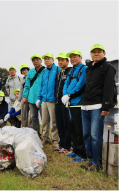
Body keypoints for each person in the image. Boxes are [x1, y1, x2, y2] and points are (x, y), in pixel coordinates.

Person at [81, 43, 116, 171]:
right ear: (90, 54)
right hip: (85, 106)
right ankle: (90, 160)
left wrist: (105, 106)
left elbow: (108, 88)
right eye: (94, 52)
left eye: (99, 51)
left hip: (97, 106)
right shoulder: (89, 68)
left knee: (95, 136)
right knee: (86, 135)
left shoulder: (108, 67)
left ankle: (97, 163)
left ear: (104, 53)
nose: (96, 53)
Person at [62, 49, 88, 162]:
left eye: (75, 56)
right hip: (69, 104)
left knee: (79, 130)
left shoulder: (84, 69)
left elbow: (81, 85)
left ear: (81, 57)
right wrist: (64, 96)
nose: (73, 59)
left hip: (78, 104)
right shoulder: (71, 71)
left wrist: (69, 95)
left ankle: (82, 154)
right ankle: (75, 150)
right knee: (71, 129)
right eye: (71, 57)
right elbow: (65, 84)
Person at [36, 53, 60, 146]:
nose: (46, 60)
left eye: (48, 59)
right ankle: (46, 138)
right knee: (44, 120)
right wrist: (39, 98)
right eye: (45, 59)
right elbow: (41, 86)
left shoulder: (57, 70)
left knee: (54, 121)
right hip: (44, 100)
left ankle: (55, 140)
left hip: (53, 100)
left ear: (53, 60)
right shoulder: (44, 72)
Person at [23, 56, 46, 136]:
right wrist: (25, 96)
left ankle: (46, 136)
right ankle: (37, 134)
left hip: (42, 99)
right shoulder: (30, 72)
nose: (35, 61)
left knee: (44, 118)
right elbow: (27, 85)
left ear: (41, 60)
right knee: (33, 117)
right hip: (32, 98)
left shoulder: (45, 71)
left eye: (37, 60)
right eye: (33, 60)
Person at [54, 52, 73, 154]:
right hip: (57, 102)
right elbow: (56, 87)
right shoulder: (58, 73)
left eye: (62, 60)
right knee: (59, 124)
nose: (60, 62)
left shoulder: (70, 71)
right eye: (59, 60)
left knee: (66, 125)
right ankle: (61, 144)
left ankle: (67, 146)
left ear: (67, 61)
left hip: (66, 103)